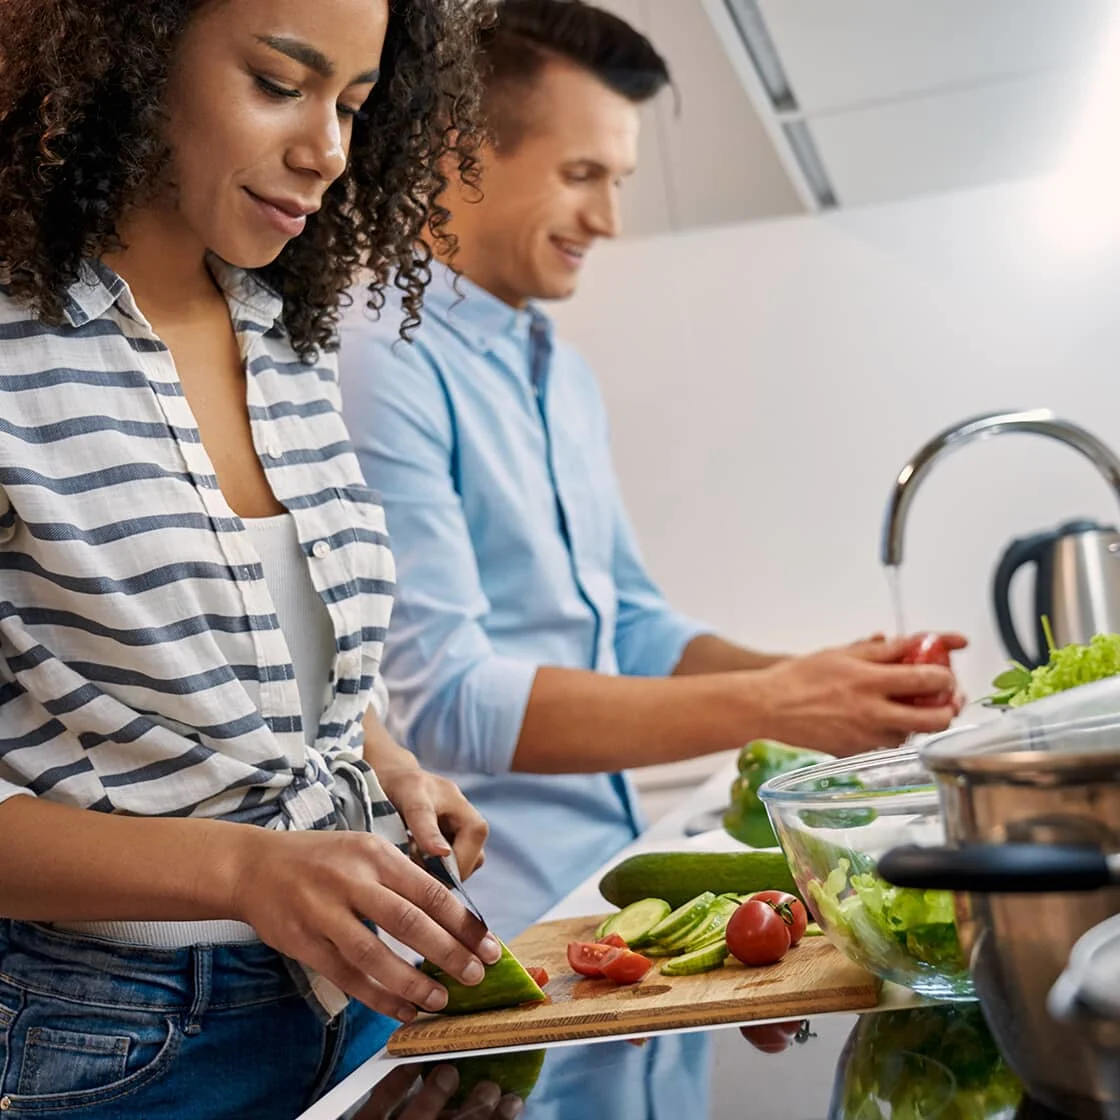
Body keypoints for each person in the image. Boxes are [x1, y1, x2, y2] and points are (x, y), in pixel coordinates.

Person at [338, 0, 965, 941]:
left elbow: (629, 621)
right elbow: (449, 703)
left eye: (620, 178)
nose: (611, 218)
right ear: (455, 153)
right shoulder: (380, 358)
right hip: (495, 909)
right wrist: (775, 702)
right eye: (582, 174)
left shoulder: (557, 368)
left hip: (607, 879)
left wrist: (821, 683)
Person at [0, 1, 503, 1116]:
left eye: (355, 108)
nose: (327, 149)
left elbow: (277, 666)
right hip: (107, 1040)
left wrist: (387, 765)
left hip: (355, 992)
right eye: (280, 83)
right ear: (127, 60)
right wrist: (242, 870)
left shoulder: (285, 334)